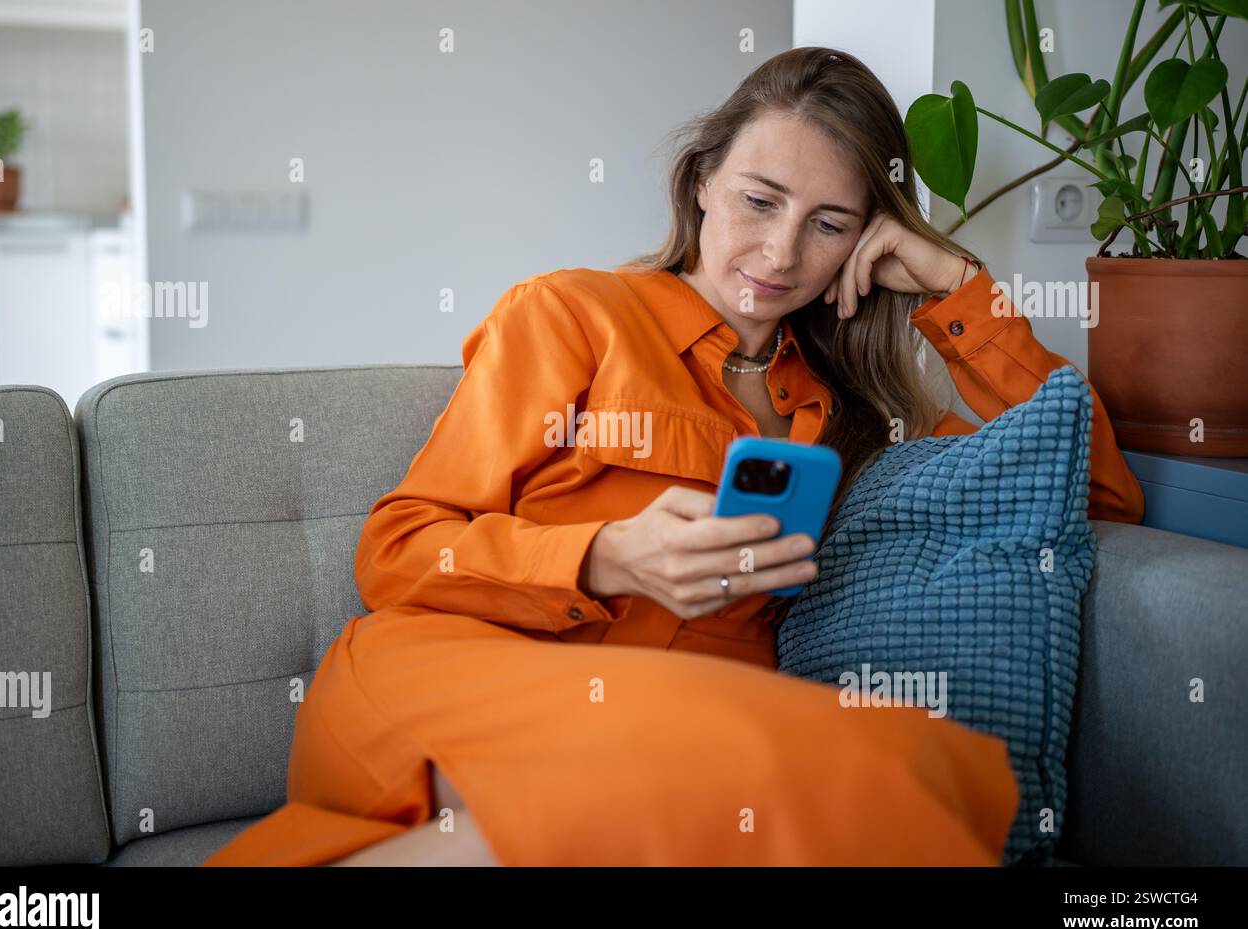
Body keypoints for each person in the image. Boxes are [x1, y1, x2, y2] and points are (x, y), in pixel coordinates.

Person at [203, 46, 1143, 867]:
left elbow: (1092, 486)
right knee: (823, 770)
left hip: (684, 724)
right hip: (467, 670)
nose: (780, 251)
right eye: (759, 200)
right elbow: (398, 550)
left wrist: (954, 286)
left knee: (930, 766)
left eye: (829, 223)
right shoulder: (571, 314)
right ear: (701, 181)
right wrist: (607, 553)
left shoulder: (862, 419)